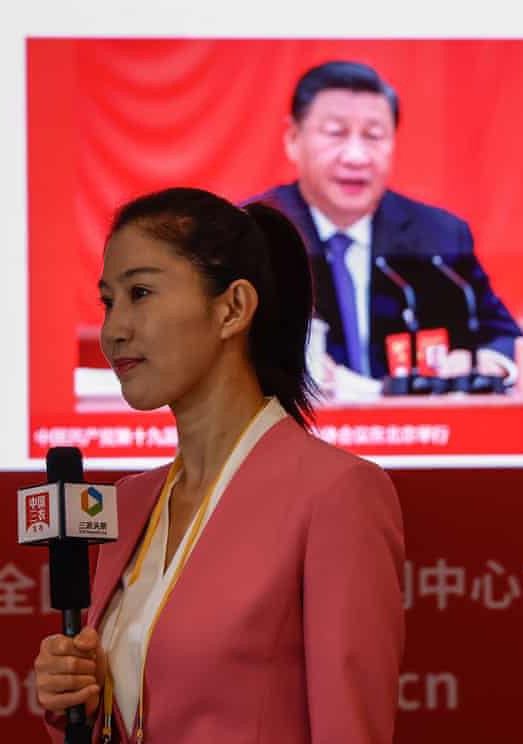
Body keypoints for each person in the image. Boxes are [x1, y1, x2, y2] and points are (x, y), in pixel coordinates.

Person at [33, 187, 404, 743]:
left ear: (232, 308)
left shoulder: (336, 493)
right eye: (108, 301)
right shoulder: (130, 503)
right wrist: (74, 699)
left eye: (140, 293)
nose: (114, 330)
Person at [249, 60, 522, 381]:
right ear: (293, 139)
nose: (356, 156)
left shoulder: (439, 236)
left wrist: (483, 363)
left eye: (373, 136)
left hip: (417, 428)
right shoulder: (249, 236)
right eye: (336, 134)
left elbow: (507, 340)